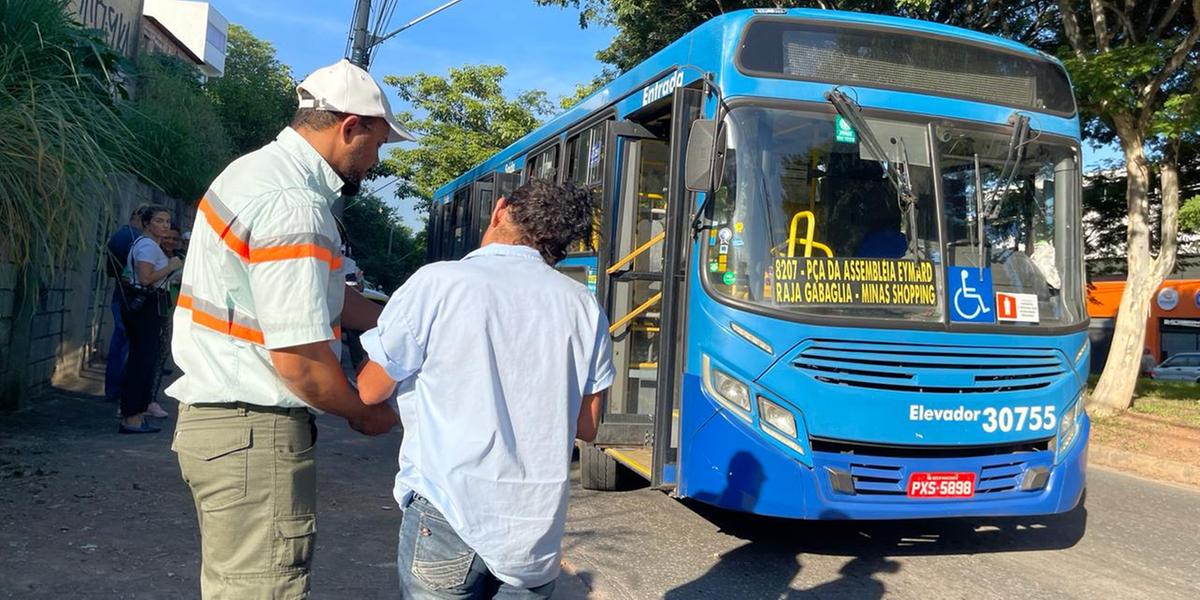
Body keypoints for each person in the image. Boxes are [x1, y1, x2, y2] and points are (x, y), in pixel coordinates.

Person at [167, 58, 410, 599]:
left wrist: (414, 321)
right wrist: (365, 410)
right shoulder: (293, 204)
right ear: (350, 127)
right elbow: (300, 364)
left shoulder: (255, 174)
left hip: (226, 432)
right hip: (254, 429)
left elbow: (334, 299)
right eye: (377, 144)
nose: (375, 160)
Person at [356, 179, 614, 600]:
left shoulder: (439, 283)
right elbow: (587, 424)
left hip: (448, 511)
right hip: (534, 534)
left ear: (499, 211)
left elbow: (370, 389)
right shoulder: (583, 305)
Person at [118, 205, 182, 432]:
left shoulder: (149, 245)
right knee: (141, 361)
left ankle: (135, 413)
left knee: (144, 360)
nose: (164, 225)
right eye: (159, 221)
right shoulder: (147, 246)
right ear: (146, 224)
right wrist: (172, 267)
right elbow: (145, 279)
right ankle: (132, 417)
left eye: (167, 221)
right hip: (146, 305)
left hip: (150, 304)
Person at [103, 205, 148, 403]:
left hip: (119, 297)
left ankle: (113, 389)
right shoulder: (137, 240)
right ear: (140, 218)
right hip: (131, 299)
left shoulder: (119, 236)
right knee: (128, 345)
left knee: (119, 344)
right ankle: (122, 391)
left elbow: (111, 271)